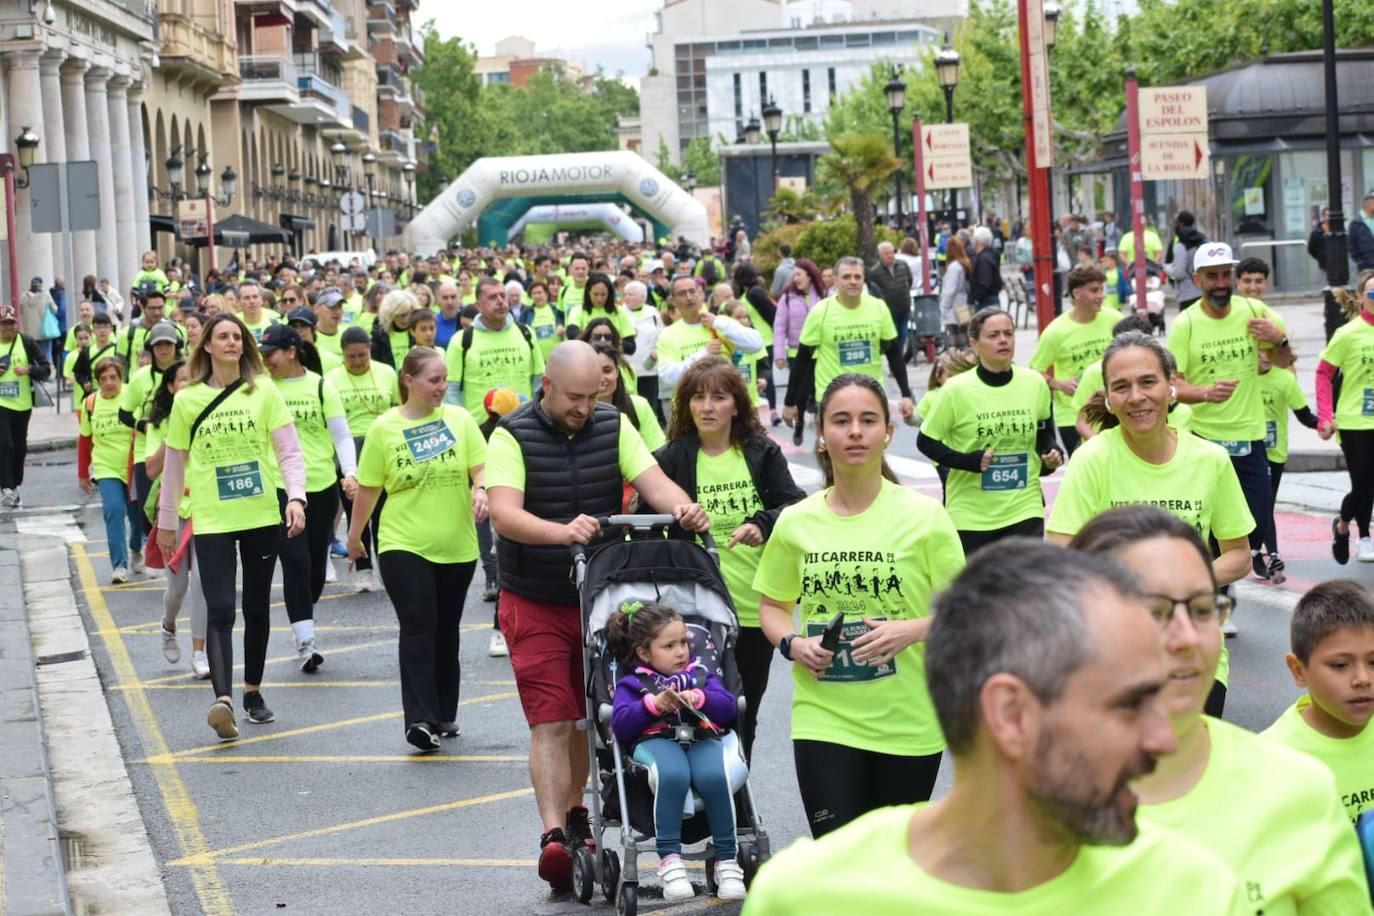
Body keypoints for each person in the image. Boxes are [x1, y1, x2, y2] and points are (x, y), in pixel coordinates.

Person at [745, 540, 1247, 915]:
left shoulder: (1194, 891)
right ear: (1010, 714)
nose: (1163, 740)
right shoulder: (806, 897)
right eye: (1127, 707)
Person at [1070, 506, 1372, 915]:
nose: (1187, 638)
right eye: (1155, 611)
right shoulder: (1021, 819)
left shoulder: (1299, 789)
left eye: (1200, 608)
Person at [485, 340, 708, 891]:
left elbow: (655, 484)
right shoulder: (511, 435)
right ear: (547, 384)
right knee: (552, 718)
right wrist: (562, 532)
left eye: (593, 395)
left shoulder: (614, 425)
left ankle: (581, 817)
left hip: (598, 597)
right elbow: (506, 515)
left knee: (592, 713)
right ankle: (554, 835)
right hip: (533, 596)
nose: (584, 407)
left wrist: (682, 507)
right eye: (573, 397)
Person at [755, 373, 964, 838]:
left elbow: (971, 609)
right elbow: (772, 605)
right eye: (842, 421)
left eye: (868, 420)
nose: (855, 431)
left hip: (908, 720)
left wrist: (912, 629)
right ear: (822, 435)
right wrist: (792, 643)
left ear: (888, 432)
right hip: (825, 718)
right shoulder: (795, 522)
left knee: (889, 869)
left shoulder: (924, 517)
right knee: (838, 860)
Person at [155, 313, 307, 740]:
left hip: (261, 515)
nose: (231, 343)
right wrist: (167, 524)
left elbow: (290, 453)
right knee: (220, 609)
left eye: (237, 337)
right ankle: (222, 702)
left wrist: (296, 497)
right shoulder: (187, 401)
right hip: (213, 520)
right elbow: (172, 468)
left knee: (256, 607)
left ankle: (253, 691)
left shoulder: (264, 392)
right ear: (206, 345)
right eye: (222, 336)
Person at [654, 357, 804, 761]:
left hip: (755, 607)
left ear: (736, 405)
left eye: (718, 397)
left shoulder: (760, 452)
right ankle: (702, 796)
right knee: (692, 706)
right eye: (698, 398)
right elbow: (647, 518)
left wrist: (762, 523)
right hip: (694, 609)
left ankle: (738, 793)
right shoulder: (672, 458)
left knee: (742, 708)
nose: (707, 407)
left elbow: (796, 505)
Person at [348, 347, 487, 751]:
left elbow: (481, 465)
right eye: (434, 380)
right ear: (409, 380)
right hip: (401, 542)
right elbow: (370, 487)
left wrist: (481, 489)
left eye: (445, 380)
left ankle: (444, 711)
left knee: (446, 629)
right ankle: (420, 719)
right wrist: (356, 537)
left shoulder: (459, 420)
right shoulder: (383, 429)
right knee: (417, 625)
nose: (442, 388)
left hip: (456, 545)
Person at [1169, 242, 1291, 585]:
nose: (1221, 282)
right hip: (1204, 438)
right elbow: (1173, 385)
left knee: (1259, 519)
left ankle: (1216, 578)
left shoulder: (1254, 311)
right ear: (1197, 279)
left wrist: (1279, 339)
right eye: (1212, 276)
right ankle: (1217, 596)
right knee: (1206, 519)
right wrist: (1205, 393)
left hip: (1250, 436)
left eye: (1225, 274)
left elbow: (1285, 363)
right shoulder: (1185, 324)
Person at [608, 600, 746, 902]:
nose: (681, 651)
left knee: (714, 776)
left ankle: (727, 860)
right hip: (656, 740)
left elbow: (728, 709)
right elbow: (620, 725)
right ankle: (670, 862)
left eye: (684, 641)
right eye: (669, 646)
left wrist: (701, 698)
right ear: (645, 653)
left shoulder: (701, 675)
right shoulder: (634, 684)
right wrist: (652, 705)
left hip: (701, 737)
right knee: (672, 774)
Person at [918, 308, 1060, 555]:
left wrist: (1051, 456)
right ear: (975, 343)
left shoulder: (1034, 383)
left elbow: (1044, 436)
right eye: (993, 335)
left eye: (1008, 333)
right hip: (972, 514)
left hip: (1024, 506)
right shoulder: (956, 390)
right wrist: (969, 461)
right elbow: (926, 442)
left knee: (1024, 588)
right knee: (980, 592)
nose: (1003, 340)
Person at [259, 323, 358, 672]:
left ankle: (304, 617)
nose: (265, 360)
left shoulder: (320, 385)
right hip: (279, 488)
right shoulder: (261, 388)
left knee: (315, 566)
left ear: (290, 351)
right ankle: (306, 642)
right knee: (296, 563)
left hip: (320, 486)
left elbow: (341, 435)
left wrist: (349, 472)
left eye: (270, 353)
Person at [1262, 579, 1374, 825]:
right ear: (1299, 670)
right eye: (1340, 665)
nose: (1363, 679)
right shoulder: (1269, 760)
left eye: (1373, 662)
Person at [784, 257, 914, 439]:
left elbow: (894, 354)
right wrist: (790, 403)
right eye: (846, 277)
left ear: (863, 279)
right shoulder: (821, 311)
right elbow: (802, 360)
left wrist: (906, 394)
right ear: (835, 280)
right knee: (835, 458)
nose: (853, 281)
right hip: (833, 397)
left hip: (871, 394)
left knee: (873, 455)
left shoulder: (878, 307)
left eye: (857, 277)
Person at [326, 325, 399, 592]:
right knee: (357, 510)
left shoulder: (387, 372)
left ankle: (390, 569)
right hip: (349, 449)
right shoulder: (331, 379)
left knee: (384, 513)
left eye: (362, 355)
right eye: (351, 357)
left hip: (382, 445)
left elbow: (398, 408)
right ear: (343, 354)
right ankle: (363, 571)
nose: (357, 361)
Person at [1030, 264, 1122, 457]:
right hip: (1072, 414)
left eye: (1102, 289)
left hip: (1113, 409)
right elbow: (1034, 371)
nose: (1101, 296)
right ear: (1076, 293)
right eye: (1094, 290)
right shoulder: (1056, 332)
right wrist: (1058, 384)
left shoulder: (1114, 319)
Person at [1319, 267, 1374, 566]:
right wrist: (1325, 415)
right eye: (1373, 294)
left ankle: (1344, 525)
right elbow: (1323, 374)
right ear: (1360, 298)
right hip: (1354, 422)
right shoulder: (1348, 334)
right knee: (1364, 484)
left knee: (1369, 484)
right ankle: (1358, 534)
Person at [119, 320, 185, 569]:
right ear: (150, 348)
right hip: (147, 452)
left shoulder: (188, 372)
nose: (163, 349)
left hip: (184, 451)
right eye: (158, 345)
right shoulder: (140, 378)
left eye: (168, 343)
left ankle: (176, 556)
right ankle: (144, 545)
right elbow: (124, 414)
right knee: (145, 509)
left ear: (177, 345)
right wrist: (144, 426)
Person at [77, 357, 139, 583]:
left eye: (113, 377)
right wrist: (83, 473)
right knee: (113, 511)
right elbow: (84, 440)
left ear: (121, 378)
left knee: (137, 517)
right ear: (97, 381)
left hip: (133, 465)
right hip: (106, 467)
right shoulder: (91, 403)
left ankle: (136, 548)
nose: (109, 383)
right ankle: (119, 566)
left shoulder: (132, 396)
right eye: (103, 379)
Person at [444, 277, 544, 416]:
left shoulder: (526, 333)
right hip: (480, 429)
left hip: (522, 423)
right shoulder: (460, 340)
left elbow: (538, 382)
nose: (500, 301)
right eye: (492, 297)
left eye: (503, 295)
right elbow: (452, 392)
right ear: (478, 306)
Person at [657, 275, 763, 404]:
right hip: (688, 408)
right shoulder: (668, 334)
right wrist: (703, 353)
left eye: (692, 291)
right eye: (682, 294)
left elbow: (756, 344)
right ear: (673, 301)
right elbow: (669, 377)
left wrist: (718, 323)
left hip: (725, 404)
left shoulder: (721, 323)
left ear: (700, 294)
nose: (689, 297)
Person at [1258, 350, 1317, 572]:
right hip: (1245, 450)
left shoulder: (1285, 380)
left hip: (1274, 452)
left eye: (1269, 351)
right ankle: (1266, 554)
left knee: (1266, 504)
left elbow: (1304, 414)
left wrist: (1324, 425)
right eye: (1260, 350)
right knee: (1257, 504)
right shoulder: (1241, 378)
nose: (1264, 356)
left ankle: (1268, 554)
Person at [0, 304, 52, 509]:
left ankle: (15, 485)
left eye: (12, 324)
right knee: (4, 444)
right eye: (4, 324)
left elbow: (46, 369)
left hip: (22, 404)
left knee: (19, 447)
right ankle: (6, 487)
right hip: (1, 403)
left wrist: (29, 369)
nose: (8, 329)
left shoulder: (27, 342)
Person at [592, 342, 664, 452]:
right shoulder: (576, 412)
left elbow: (658, 451)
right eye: (594, 372)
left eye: (607, 371)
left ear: (617, 371)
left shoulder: (639, 406)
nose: (602, 379)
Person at [564, 272, 636, 353]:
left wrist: (608, 342)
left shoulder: (619, 312)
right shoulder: (578, 310)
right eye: (595, 294)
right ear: (588, 292)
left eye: (603, 295)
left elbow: (631, 347)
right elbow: (571, 333)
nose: (599, 299)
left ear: (609, 294)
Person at [867, 241, 914, 360]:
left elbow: (909, 280)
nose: (890, 256)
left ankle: (898, 359)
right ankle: (895, 361)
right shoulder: (875, 272)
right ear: (881, 255)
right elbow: (874, 292)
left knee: (903, 334)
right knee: (894, 337)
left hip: (904, 306)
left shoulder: (903, 265)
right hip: (889, 311)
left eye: (892, 252)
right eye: (887, 253)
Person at [1165, 210, 1207, 310]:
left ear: (1181, 223)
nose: (1173, 225)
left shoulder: (1179, 244)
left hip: (1187, 294)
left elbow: (1179, 272)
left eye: (1175, 222)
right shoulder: (1202, 239)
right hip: (1203, 291)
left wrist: (1165, 268)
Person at [368, 288, 417, 368]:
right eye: (402, 315)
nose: (406, 319)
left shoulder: (417, 332)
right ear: (390, 314)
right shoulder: (379, 335)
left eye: (410, 314)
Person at [939, 235, 971, 349]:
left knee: (956, 342)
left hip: (953, 309)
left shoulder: (953, 267)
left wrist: (943, 307)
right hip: (963, 307)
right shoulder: (964, 264)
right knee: (965, 339)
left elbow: (949, 290)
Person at [967, 226, 1003, 310]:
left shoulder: (984, 259)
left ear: (977, 242)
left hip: (985, 302)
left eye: (973, 239)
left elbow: (984, 282)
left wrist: (976, 298)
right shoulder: (991, 255)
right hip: (990, 299)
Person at [1348, 192, 1374, 273]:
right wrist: (1358, 260)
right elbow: (1351, 243)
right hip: (1366, 264)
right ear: (1369, 204)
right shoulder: (1356, 222)